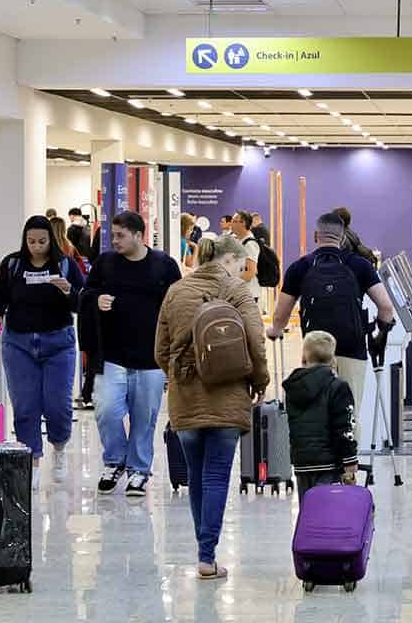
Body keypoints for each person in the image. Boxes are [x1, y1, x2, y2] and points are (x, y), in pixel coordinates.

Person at [153, 236, 269, 580]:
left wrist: (181, 374)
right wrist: (259, 381)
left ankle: (204, 552)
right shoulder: (236, 290)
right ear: (230, 260)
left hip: (186, 395)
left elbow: (160, 349)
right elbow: (255, 341)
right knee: (217, 474)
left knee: (197, 476)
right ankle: (207, 556)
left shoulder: (177, 291)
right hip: (228, 392)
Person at [85, 210, 181, 496]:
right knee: (107, 411)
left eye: (120, 235)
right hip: (113, 356)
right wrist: (96, 299)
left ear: (138, 235)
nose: (114, 241)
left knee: (144, 418)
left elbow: (178, 306)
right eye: (112, 235)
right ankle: (114, 460)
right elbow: (86, 294)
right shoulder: (105, 264)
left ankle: (139, 470)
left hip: (151, 359)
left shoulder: (164, 266)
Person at [0, 216, 86, 490]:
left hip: (59, 343)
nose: (36, 247)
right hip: (18, 344)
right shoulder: (12, 264)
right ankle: (31, 460)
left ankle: (58, 447)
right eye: (31, 241)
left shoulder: (66, 264)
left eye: (42, 242)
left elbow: (83, 300)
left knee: (58, 405)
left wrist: (69, 290)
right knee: (25, 406)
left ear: (51, 240)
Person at [267, 212, 396, 416]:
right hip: (352, 347)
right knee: (349, 413)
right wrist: (380, 330)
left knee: (316, 414)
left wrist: (274, 331)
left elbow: (280, 315)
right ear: (343, 237)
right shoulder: (360, 265)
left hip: (315, 348)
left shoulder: (300, 267)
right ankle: (348, 446)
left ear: (316, 236)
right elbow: (386, 307)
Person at [283, 330, 359, 494]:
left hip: (302, 463)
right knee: (327, 512)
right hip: (329, 464)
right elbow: (344, 427)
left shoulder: (293, 388)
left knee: (309, 510)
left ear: (304, 358)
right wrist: (350, 459)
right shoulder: (338, 387)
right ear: (333, 360)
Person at [230, 210, 261, 304]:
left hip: (247, 294)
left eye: (235, 221)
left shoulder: (250, 244)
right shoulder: (240, 241)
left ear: (243, 223)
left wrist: (231, 281)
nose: (231, 224)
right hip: (241, 293)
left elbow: (251, 272)